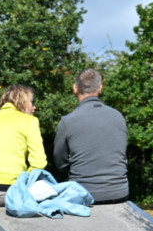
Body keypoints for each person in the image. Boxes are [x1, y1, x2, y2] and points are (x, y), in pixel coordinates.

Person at [53, 68, 129, 204]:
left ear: (75, 88)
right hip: (119, 192)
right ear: (100, 88)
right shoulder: (118, 117)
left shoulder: (68, 121)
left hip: (83, 194)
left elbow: (60, 162)